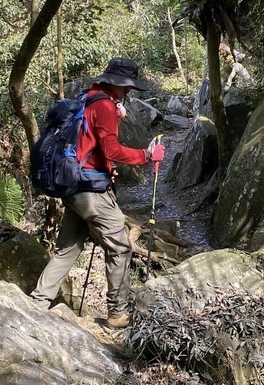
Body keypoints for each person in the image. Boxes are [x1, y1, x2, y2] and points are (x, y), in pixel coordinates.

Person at [30, 57, 166, 327]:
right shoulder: (103, 105)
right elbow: (111, 149)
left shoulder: (87, 97)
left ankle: (38, 301)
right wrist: (147, 155)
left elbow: (89, 146)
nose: (128, 91)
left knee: (69, 248)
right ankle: (117, 312)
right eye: (127, 86)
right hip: (91, 192)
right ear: (117, 83)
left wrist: (106, 167)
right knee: (120, 247)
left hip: (72, 187)